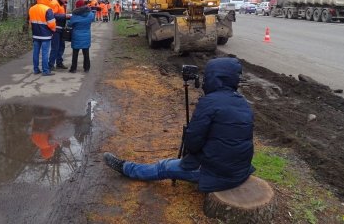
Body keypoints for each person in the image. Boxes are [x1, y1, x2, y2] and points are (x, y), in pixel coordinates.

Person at [103, 57, 255, 192]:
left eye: (207, 76)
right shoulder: (243, 102)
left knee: (164, 166)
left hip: (216, 174)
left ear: (215, 78)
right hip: (239, 171)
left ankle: (125, 167)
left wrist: (190, 154)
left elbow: (193, 143)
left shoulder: (209, 103)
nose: (203, 80)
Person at [29, 0, 56, 76]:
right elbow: (51, 23)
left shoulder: (31, 8)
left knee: (35, 52)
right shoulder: (48, 10)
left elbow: (30, 22)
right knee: (45, 53)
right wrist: (53, 30)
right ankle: (45, 70)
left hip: (35, 34)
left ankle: (36, 69)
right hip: (45, 35)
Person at [67, 0, 95, 73]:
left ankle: (73, 68)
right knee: (86, 53)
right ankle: (86, 68)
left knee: (75, 53)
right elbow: (93, 18)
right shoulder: (90, 14)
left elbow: (69, 24)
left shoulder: (75, 15)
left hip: (76, 35)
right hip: (86, 35)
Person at [49, 0, 69, 70]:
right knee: (55, 47)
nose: (66, 1)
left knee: (61, 46)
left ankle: (59, 63)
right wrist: (65, 16)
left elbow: (60, 14)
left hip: (61, 28)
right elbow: (52, 15)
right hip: (55, 28)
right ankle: (51, 64)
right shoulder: (54, 3)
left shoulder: (61, 4)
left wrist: (66, 17)